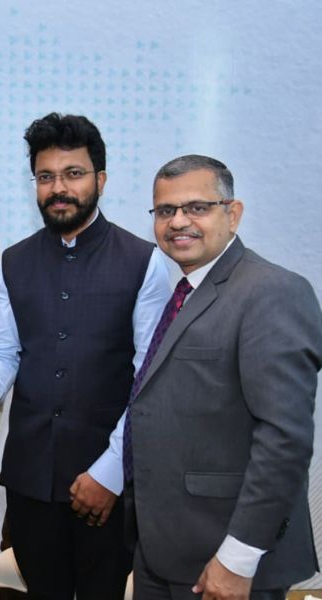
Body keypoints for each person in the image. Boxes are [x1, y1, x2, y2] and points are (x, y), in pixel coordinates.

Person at [0, 112, 170, 600]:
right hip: (31, 478)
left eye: (73, 174)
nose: (59, 189)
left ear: (100, 180)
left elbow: (149, 381)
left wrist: (110, 474)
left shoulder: (146, 262)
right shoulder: (13, 261)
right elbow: (4, 349)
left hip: (108, 482)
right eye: (46, 177)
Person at [124, 155, 322, 599]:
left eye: (197, 207)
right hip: (162, 549)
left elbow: (284, 439)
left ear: (233, 214)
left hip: (226, 558)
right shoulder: (184, 293)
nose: (179, 221)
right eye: (165, 210)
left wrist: (238, 558)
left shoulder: (272, 292)